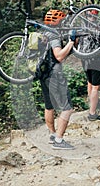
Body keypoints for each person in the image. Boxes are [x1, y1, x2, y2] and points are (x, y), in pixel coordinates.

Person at [39, 10, 77, 150]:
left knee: (49, 106)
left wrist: (71, 45)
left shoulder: (44, 33)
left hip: (43, 74)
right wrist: (71, 42)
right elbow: (59, 56)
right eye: (62, 21)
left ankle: (52, 135)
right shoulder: (54, 35)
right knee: (67, 108)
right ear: (58, 21)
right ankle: (59, 141)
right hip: (54, 76)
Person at [79, 10, 100, 121]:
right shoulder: (99, 28)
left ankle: (91, 107)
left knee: (89, 82)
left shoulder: (82, 27)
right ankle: (92, 113)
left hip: (84, 57)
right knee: (95, 86)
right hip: (96, 58)